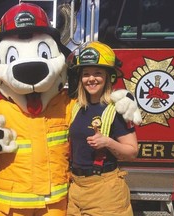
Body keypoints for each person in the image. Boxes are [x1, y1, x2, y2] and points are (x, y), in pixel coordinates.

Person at [66, 41, 139, 216]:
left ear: (108, 77)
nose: (91, 79)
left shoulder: (117, 108)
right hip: (76, 188)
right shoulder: (75, 107)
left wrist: (108, 142)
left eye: (98, 73)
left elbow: (132, 152)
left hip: (105, 191)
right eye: (86, 74)